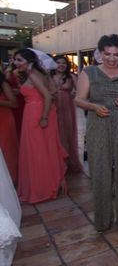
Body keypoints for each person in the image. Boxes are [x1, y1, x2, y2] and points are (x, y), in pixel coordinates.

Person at [75, 35, 118, 232]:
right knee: (100, 170)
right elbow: (79, 99)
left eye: (116, 55)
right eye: (107, 54)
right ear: (100, 53)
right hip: (98, 123)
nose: (112, 59)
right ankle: (103, 218)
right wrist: (94, 107)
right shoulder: (89, 72)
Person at [13, 49, 68, 203]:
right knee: (43, 149)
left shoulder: (32, 74)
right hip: (35, 111)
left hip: (36, 113)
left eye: (19, 60)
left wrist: (43, 117)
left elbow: (48, 96)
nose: (16, 63)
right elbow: (51, 92)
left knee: (37, 151)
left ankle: (42, 187)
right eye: (15, 60)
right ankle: (48, 183)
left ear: (28, 61)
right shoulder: (38, 73)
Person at [51, 55, 82, 172]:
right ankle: (56, 162)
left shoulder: (71, 77)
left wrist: (75, 92)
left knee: (68, 133)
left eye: (63, 63)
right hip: (53, 107)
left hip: (67, 107)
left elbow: (80, 91)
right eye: (58, 62)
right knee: (56, 133)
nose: (61, 65)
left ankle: (68, 162)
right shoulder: (48, 76)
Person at [0, 72, 18, 185]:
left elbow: (14, 104)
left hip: (4, 118)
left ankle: (10, 180)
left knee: (6, 150)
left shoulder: (3, 83)